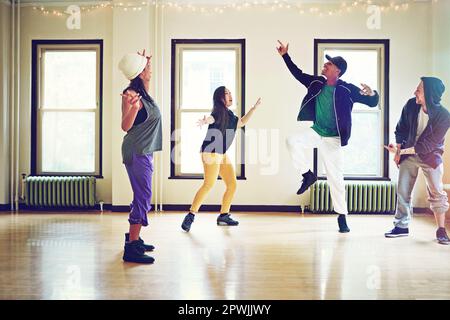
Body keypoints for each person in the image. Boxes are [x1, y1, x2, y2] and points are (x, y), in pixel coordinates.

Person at [276, 40, 379, 233]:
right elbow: (298, 74)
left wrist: (373, 93)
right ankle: (308, 175)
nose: (325, 65)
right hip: (316, 132)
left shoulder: (347, 89)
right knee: (292, 141)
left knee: (335, 178)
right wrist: (285, 56)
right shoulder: (316, 82)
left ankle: (342, 216)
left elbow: (372, 103)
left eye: (329, 64)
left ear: (337, 71)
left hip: (333, 139)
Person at [181, 86, 261, 232]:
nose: (230, 95)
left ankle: (224, 215)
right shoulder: (218, 112)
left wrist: (253, 109)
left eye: (230, 92)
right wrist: (206, 121)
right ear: (220, 98)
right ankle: (190, 215)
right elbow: (212, 118)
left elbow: (241, 122)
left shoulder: (230, 115)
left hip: (221, 154)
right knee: (208, 184)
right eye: (226, 93)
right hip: (210, 152)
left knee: (232, 184)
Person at [384, 77, 450, 245]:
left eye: (419, 90)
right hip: (409, 154)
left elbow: (426, 146)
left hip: (430, 156)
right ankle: (401, 226)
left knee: (437, 192)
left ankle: (441, 230)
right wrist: (398, 150)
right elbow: (401, 128)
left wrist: (400, 151)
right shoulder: (411, 105)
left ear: (429, 94)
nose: (415, 92)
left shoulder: (444, 116)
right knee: (403, 190)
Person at [118, 50, 162, 263]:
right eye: (147, 68)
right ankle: (132, 248)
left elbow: (145, 86)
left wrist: (145, 62)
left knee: (141, 195)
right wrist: (134, 108)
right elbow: (125, 126)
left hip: (144, 150)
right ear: (140, 73)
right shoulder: (130, 95)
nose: (151, 70)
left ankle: (134, 237)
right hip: (136, 151)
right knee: (143, 196)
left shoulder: (144, 92)